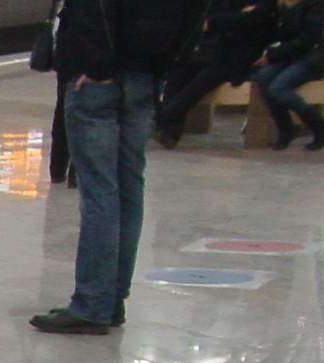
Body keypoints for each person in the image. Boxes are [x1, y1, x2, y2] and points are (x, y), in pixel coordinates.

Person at [30, 0, 183, 335]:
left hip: (98, 81)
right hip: (145, 76)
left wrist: (95, 66)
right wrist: (166, 65)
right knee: (129, 187)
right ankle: (113, 299)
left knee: (100, 191)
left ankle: (93, 303)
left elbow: (93, 10)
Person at [155, 1, 275, 146]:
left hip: (235, 57)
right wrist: (227, 19)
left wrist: (214, 22)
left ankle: (162, 117)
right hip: (209, 49)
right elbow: (210, 16)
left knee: (198, 84)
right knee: (178, 75)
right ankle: (169, 131)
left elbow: (247, 20)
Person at [250, 0, 324, 147]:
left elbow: (309, 38)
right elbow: (282, 33)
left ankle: (321, 126)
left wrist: (272, 55)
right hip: (289, 54)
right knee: (264, 77)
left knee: (279, 87)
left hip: (313, 56)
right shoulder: (285, 3)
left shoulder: (318, 3)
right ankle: (285, 128)